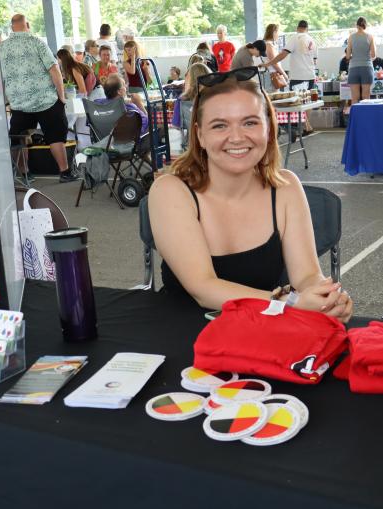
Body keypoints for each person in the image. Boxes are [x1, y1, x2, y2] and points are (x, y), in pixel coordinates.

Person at [148, 66, 353, 322]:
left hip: (262, 339)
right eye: (220, 125)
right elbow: (203, 288)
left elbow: (307, 276)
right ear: (200, 135)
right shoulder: (170, 191)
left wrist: (326, 298)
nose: (236, 137)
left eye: (250, 122)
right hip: (182, 341)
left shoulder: (285, 187)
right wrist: (289, 303)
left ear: (268, 128)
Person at [0, 14, 75, 182]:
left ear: (12, 28)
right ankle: (65, 172)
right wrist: (61, 96)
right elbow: (54, 70)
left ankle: (25, 174)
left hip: (19, 103)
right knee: (55, 136)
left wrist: (5, 99)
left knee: (19, 137)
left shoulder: (2, 48)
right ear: (28, 24)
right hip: (46, 99)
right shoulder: (37, 42)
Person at [261, 20, 317, 91]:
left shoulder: (295, 38)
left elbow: (283, 55)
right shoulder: (312, 40)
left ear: (297, 28)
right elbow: (315, 61)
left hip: (298, 77)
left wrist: (268, 64)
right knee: (309, 99)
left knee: (297, 100)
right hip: (311, 76)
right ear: (307, 29)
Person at [346, 17, 376, 107]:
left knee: (355, 97)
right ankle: (367, 118)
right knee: (366, 96)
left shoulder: (351, 37)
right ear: (365, 25)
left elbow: (347, 55)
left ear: (357, 25)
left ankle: (356, 119)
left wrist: (353, 56)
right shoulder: (370, 37)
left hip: (354, 68)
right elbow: (373, 54)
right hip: (367, 68)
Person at [263, 24, 287, 89]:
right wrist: (284, 74)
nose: (278, 34)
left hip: (274, 73)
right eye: (277, 32)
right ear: (274, 32)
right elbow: (274, 62)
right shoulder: (268, 44)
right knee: (273, 95)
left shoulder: (270, 44)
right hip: (272, 75)